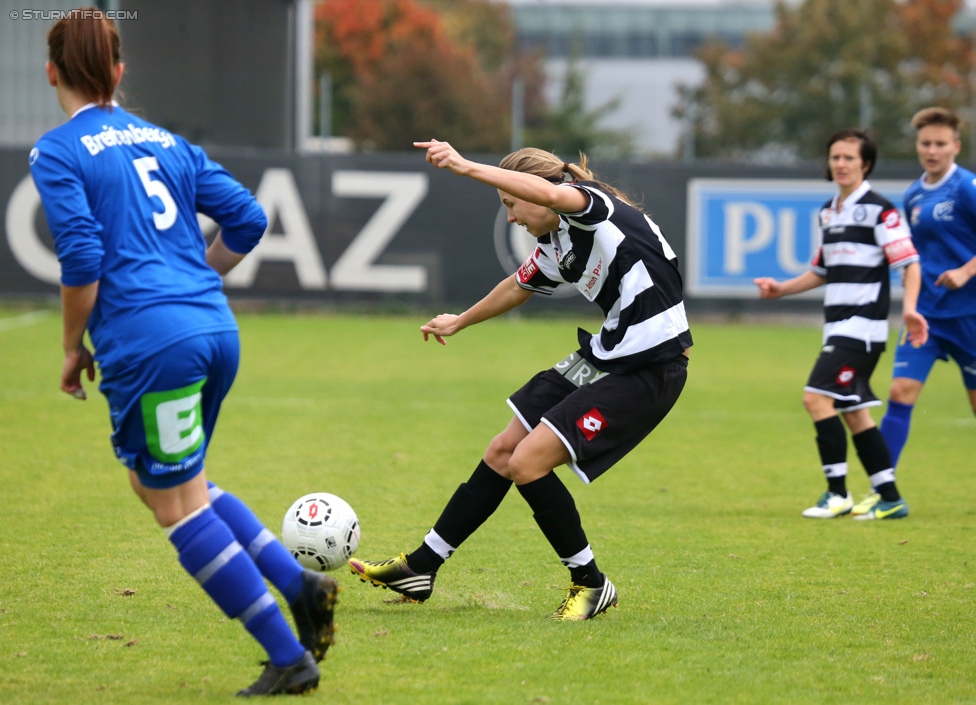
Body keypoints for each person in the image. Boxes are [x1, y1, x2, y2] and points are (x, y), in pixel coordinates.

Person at [31, 10, 336, 696]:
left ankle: (289, 657)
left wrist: (70, 345)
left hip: (152, 344)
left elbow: (81, 257)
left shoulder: (58, 150)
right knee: (166, 483)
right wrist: (196, 279)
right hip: (213, 329)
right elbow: (250, 220)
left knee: (177, 506)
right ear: (118, 70)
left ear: (51, 71)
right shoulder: (164, 141)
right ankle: (301, 585)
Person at [349, 139, 692, 620]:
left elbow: (555, 197)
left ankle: (591, 584)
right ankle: (421, 567)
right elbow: (518, 284)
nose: (511, 217)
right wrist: (459, 320)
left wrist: (467, 167)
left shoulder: (592, 208)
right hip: (606, 354)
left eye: (511, 204)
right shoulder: (556, 243)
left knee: (527, 463)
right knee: (502, 451)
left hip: (651, 365)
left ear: (540, 190)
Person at [754, 129, 928, 520]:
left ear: (865, 164)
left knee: (816, 399)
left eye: (850, 157)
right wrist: (780, 289)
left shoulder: (881, 210)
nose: (841, 164)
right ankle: (890, 496)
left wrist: (912, 309)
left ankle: (837, 494)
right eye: (836, 157)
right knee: (856, 413)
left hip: (862, 328)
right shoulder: (828, 212)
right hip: (838, 328)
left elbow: (909, 264)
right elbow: (821, 270)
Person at [878, 107, 976, 495]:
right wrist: (910, 305)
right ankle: (882, 490)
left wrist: (967, 272)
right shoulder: (914, 195)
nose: (932, 150)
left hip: (969, 315)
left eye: (940, 144)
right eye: (925, 143)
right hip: (927, 316)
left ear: (955, 146)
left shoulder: (966, 187)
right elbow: (913, 259)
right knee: (900, 391)